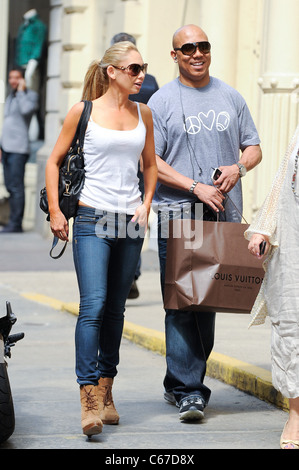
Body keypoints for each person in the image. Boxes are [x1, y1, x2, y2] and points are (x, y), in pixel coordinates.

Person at [147, 24, 262, 421]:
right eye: (188, 48)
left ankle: (177, 382)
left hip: (221, 218)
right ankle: (189, 390)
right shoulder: (161, 102)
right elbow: (153, 162)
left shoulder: (230, 96)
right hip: (178, 217)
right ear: (175, 55)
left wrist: (237, 168)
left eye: (204, 46)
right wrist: (195, 186)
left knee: (207, 303)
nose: (198, 53)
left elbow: (254, 147)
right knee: (182, 304)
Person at [45, 41, 157, 437]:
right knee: (92, 305)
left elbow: (149, 165)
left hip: (129, 220)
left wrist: (146, 204)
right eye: (133, 69)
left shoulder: (144, 112)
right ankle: (88, 397)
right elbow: (54, 161)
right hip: (92, 217)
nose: (140, 75)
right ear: (112, 72)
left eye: (143, 68)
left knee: (115, 310)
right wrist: (58, 212)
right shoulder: (84, 111)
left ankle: (107, 388)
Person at [246, 124, 299, 449]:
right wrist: (264, 229)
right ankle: (296, 414)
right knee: (291, 325)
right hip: (293, 245)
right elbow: (284, 180)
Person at [111, 32, 159, 298]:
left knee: (130, 212)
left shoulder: (145, 83)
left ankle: (127, 270)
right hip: (140, 157)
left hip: (132, 158)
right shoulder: (151, 82)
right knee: (134, 213)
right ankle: (130, 271)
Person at [0, 67, 38, 233]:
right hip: (6, 148)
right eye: (11, 77)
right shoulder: (11, 96)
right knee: (9, 185)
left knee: (16, 187)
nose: (13, 81)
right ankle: (12, 221)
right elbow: (8, 123)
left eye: (16, 78)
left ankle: (16, 224)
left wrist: (22, 91)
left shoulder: (29, 96)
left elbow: (26, 111)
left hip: (19, 149)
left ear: (23, 79)